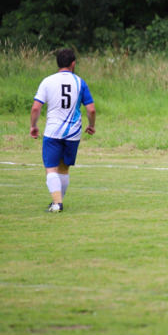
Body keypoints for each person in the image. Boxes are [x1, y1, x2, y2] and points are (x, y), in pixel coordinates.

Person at [30, 48, 96, 213]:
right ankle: (58, 201)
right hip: (73, 133)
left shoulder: (47, 81)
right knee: (64, 168)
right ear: (73, 64)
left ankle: (57, 203)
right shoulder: (80, 82)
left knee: (51, 167)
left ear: (58, 63)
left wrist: (34, 125)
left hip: (53, 132)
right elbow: (91, 109)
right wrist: (91, 125)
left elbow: (36, 108)